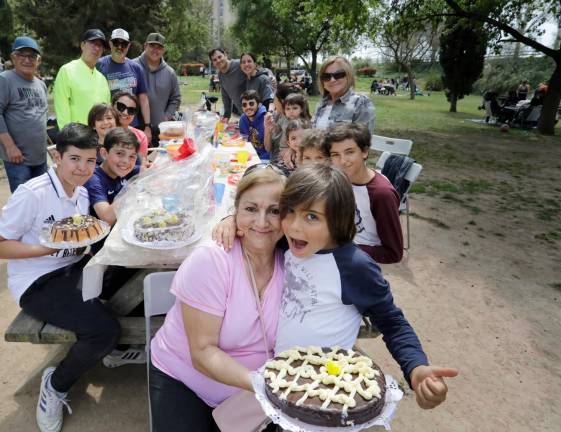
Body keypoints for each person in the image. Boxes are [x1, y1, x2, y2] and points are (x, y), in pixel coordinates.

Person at [277, 164, 456, 409]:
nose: (294, 226)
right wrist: (231, 221)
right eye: (289, 211)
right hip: (276, 374)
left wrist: (416, 367)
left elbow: (392, 322)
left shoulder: (354, 266)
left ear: (338, 220)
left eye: (312, 216)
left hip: (320, 388)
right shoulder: (285, 245)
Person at [0, 123, 120, 432]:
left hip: (74, 267)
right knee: (104, 330)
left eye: (89, 161)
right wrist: (45, 248)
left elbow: (80, 235)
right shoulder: (32, 194)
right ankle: (56, 385)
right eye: (74, 159)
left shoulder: (82, 192)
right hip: (37, 282)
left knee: (124, 272)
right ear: (56, 157)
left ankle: (113, 352)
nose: (82, 168)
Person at [149, 167, 287, 431]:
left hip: (250, 394)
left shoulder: (291, 261)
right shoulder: (213, 260)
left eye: (275, 210)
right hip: (184, 378)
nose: (262, 221)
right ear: (236, 211)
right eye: (251, 209)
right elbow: (202, 353)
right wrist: (262, 385)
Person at [325, 123, 403, 264]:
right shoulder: (341, 179)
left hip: (358, 262)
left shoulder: (381, 194)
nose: (342, 161)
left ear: (364, 151)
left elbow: (393, 253)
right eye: (335, 155)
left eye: (349, 152)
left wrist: (343, 250)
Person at [0, 36, 49, 192]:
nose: (27, 60)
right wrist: (10, 147)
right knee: (23, 203)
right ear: (14, 57)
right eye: (22, 55)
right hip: (18, 158)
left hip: (40, 157)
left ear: (38, 60)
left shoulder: (41, 84)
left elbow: (41, 115)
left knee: (41, 199)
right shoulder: (4, 80)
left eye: (32, 56)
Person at [96, 28, 152, 141]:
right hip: (109, 125)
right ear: (110, 44)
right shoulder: (99, 65)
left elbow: (143, 99)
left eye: (124, 44)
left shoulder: (136, 68)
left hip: (131, 123)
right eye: (116, 43)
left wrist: (147, 126)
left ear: (129, 46)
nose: (120, 47)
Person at [54, 29, 111, 129]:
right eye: (93, 43)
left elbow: (107, 111)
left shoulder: (102, 79)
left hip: (100, 137)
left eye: (100, 46)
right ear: (82, 45)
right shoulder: (67, 71)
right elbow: (62, 108)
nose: (97, 48)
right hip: (76, 137)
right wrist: (67, 135)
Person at [85, 127, 140, 226]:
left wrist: (147, 173)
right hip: (104, 239)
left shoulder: (125, 170)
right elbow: (107, 218)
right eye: (119, 153)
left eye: (132, 156)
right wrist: (132, 189)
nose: (126, 161)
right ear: (104, 153)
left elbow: (153, 172)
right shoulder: (93, 179)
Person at [134, 32, 181, 143]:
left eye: (159, 47)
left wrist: (166, 117)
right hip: (136, 130)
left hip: (160, 130)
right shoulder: (132, 66)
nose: (155, 50)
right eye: (152, 46)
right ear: (145, 46)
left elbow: (176, 98)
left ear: (163, 50)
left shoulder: (170, 73)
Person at [313, 57, 375, 132]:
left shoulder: (360, 103)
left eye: (338, 74)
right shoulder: (322, 104)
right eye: (326, 76)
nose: (332, 80)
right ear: (322, 81)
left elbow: (363, 141)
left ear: (348, 76)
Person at [263, 82, 300, 164]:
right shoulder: (278, 116)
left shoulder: (297, 124)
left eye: (274, 99)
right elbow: (268, 148)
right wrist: (267, 128)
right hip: (273, 162)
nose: (273, 102)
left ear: (282, 101)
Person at [111, 91, 149, 158]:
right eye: (121, 106)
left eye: (131, 110)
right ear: (112, 106)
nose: (125, 113)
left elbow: (141, 165)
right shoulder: (102, 131)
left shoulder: (140, 136)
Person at [238, 90, 269, 160]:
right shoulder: (243, 119)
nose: (248, 107)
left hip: (266, 158)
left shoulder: (266, 119)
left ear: (258, 104)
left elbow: (269, 149)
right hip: (250, 156)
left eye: (251, 104)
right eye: (244, 105)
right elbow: (245, 141)